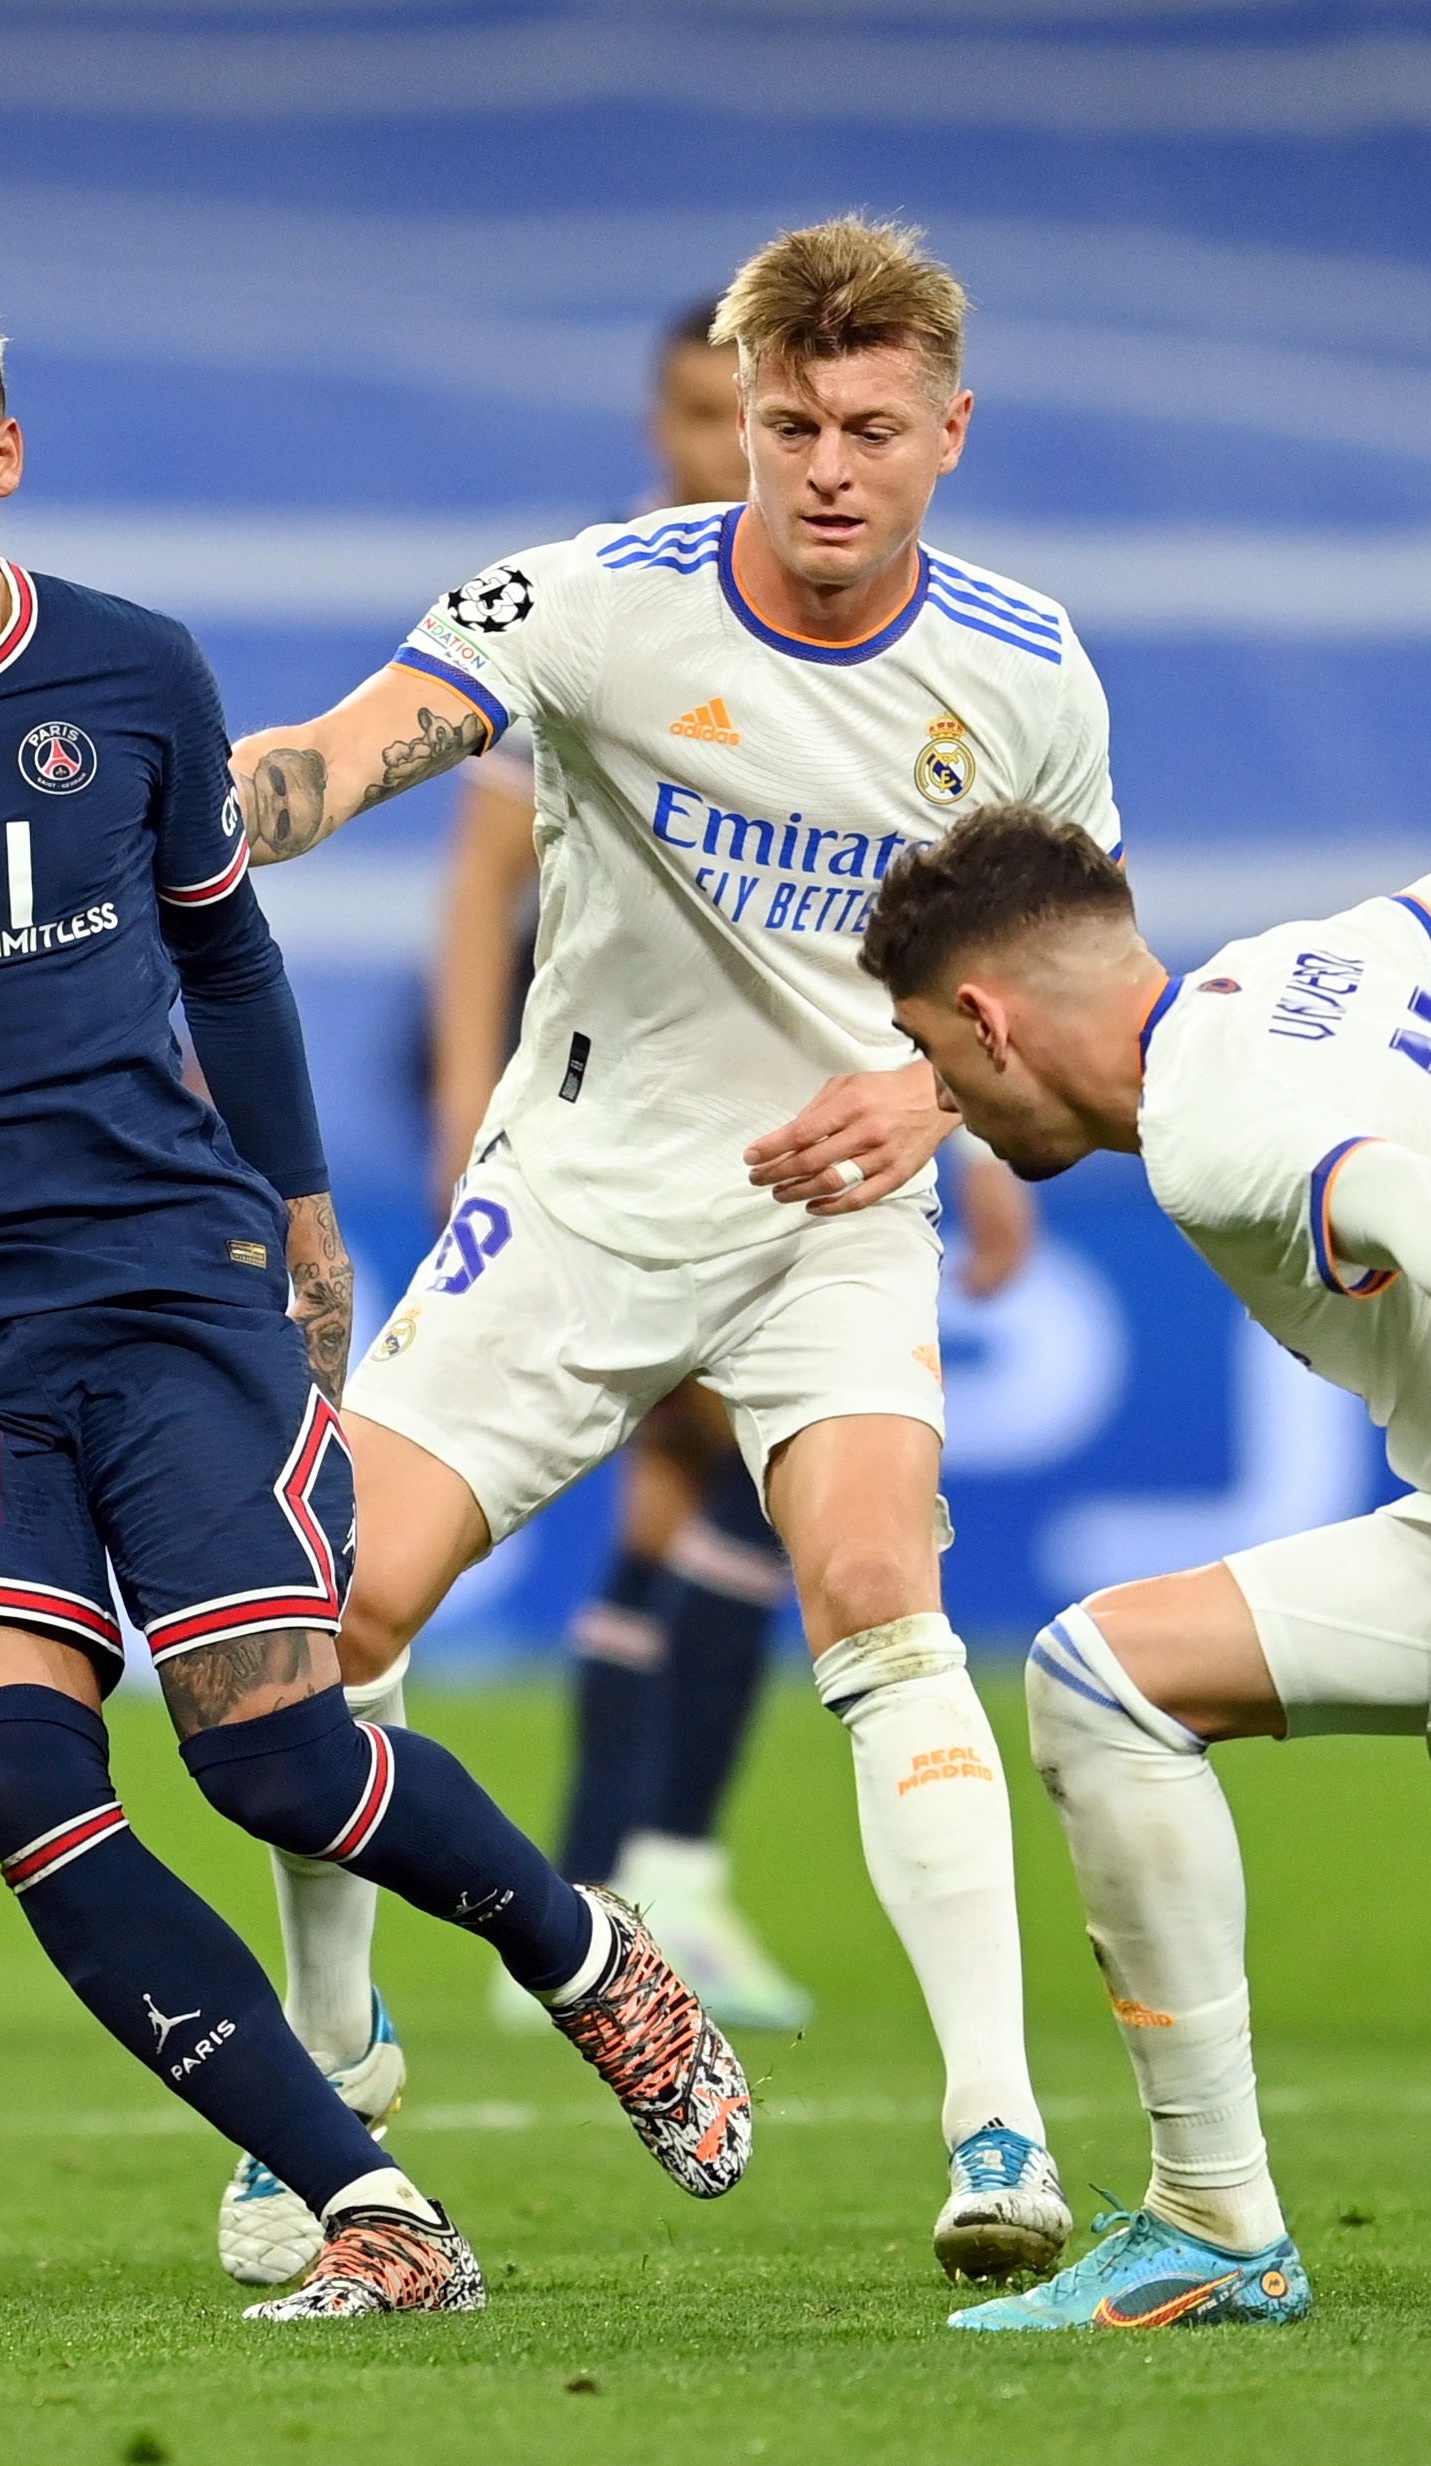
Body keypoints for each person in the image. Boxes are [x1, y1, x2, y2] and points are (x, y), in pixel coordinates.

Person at [0, 276, 749, 2325]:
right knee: (22, 1772)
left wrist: (301, 1216)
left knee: (268, 1756)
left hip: (162, 1284)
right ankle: (373, 2204)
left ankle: (580, 1949)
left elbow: (231, 963)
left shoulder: (131, 674)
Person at [223, 215, 1122, 2290]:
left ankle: (999, 2125)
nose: (820, 466)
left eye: (869, 428)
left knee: (883, 1583)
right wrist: (229, 802)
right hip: (581, 1197)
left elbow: (1084, 997)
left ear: (950, 432)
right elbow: (360, 747)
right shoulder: (595, 606)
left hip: (832, 1217)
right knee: (325, 1610)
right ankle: (334, 2077)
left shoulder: (1028, 672)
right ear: (737, 414)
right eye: (783, 421)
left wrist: (938, 1100)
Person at [867, 810, 1431, 2333]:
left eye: (933, 1054)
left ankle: (1211, 2222)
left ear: (988, 1018)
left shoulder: (1210, 1126)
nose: (942, 1099)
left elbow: (1412, 1200)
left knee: (1104, 1677)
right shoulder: (1314, 965)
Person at [433, 303, 1040, 2044]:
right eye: (727, 418)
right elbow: (481, 877)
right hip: (611, 1086)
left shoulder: (937, 661)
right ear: (688, 424)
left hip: (819, 1088)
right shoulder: (613, 608)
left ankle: (618, 1869)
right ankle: (638, 1873)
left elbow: (964, 921)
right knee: (718, 1491)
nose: (753, 452)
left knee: (693, 1505)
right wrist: (471, 1095)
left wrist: (975, 1135)